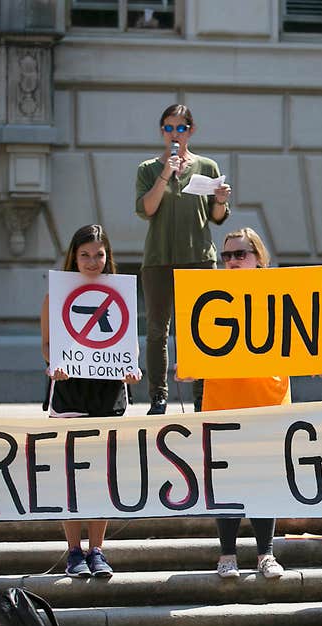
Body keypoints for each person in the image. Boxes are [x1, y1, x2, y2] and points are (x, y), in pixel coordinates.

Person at [40, 224, 143, 577]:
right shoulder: (57, 294)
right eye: (85, 254)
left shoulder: (121, 293)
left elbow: (129, 345)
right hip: (69, 393)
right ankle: (73, 552)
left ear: (108, 256)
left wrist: (133, 371)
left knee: (102, 475)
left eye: (99, 254)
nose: (92, 261)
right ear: (73, 256)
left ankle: (97, 551)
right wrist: (53, 367)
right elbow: (48, 344)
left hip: (109, 395)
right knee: (70, 475)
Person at [203, 228, 290, 579]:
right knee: (226, 479)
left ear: (258, 257)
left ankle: (265, 554)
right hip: (224, 399)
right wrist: (189, 367)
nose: (233, 261)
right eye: (227, 256)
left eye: (240, 254)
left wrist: (312, 360)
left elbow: (296, 339)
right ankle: (227, 554)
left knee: (264, 478)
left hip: (267, 399)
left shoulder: (280, 295)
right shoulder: (209, 295)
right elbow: (201, 346)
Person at [136, 103, 231, 414]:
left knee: (200, 330)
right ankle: (158, 396)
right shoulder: (148, 168)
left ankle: (202, 395)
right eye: (168, 128)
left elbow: (217, 218)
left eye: (181, 128)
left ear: (191, 131)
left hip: (198, 258)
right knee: (157, 330)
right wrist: (166, 172)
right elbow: (146, 209)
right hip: (159, 258)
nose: (174, 134)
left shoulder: (207, 166)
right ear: (161, 131)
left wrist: (219, 200)